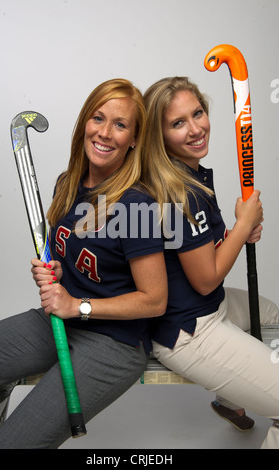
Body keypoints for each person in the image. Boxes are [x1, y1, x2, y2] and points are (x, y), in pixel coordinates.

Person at [0, 78, 168, 449]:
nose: (105, 132)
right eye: (98, 118)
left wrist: (77, 305)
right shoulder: (68, 184)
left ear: (134, 139)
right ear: (85, 122)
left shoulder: (137, 205)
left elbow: (154, 300)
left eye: (121, 124)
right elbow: (70, 264)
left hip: (113, 341)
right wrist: (56, 272)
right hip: (60, 322)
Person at [142, 76, 279, 448]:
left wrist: (236, 234)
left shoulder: (189, 172)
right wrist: (243, 225)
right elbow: (206, 277)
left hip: (208, 306)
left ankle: (234, 397)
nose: (195, 128)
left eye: (197, 113)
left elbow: (206, 252)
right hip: (190, 332)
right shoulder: (177, 190)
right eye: (177, 123)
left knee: (272, 315)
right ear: (159, 135)